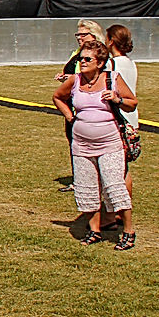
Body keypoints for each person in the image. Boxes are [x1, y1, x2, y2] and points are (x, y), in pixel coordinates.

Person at [52, 39, 136, 250]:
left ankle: (128, 231)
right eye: (81, 58)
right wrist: (71, 117)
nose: (82, 62)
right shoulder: (75, 80)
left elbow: (132, 103)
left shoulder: (112, 79)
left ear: (100, 62)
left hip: (110, 143)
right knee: (86, 187)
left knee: (114, 186)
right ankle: (94, 230)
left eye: (87, 59)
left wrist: (117, 99)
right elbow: (57, 97)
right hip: (81, 145)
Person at [52, 20, 107, 192]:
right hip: (73, 104)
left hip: (91, 106)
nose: (79, 38)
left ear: (94, 35)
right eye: (78, 34)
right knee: (75, 142)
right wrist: (66, 77)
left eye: (83, 34)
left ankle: (96, 180)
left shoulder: (101, 55)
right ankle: (80, 179)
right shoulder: (76, 53)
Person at [105, 24, 138, 229]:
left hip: (118, 119)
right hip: (131, 119)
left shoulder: (112, 64)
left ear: (111, 41)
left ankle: (113, 214)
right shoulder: (130, 63)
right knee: (124, 169)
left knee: (112, 170)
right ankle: (122, 210)